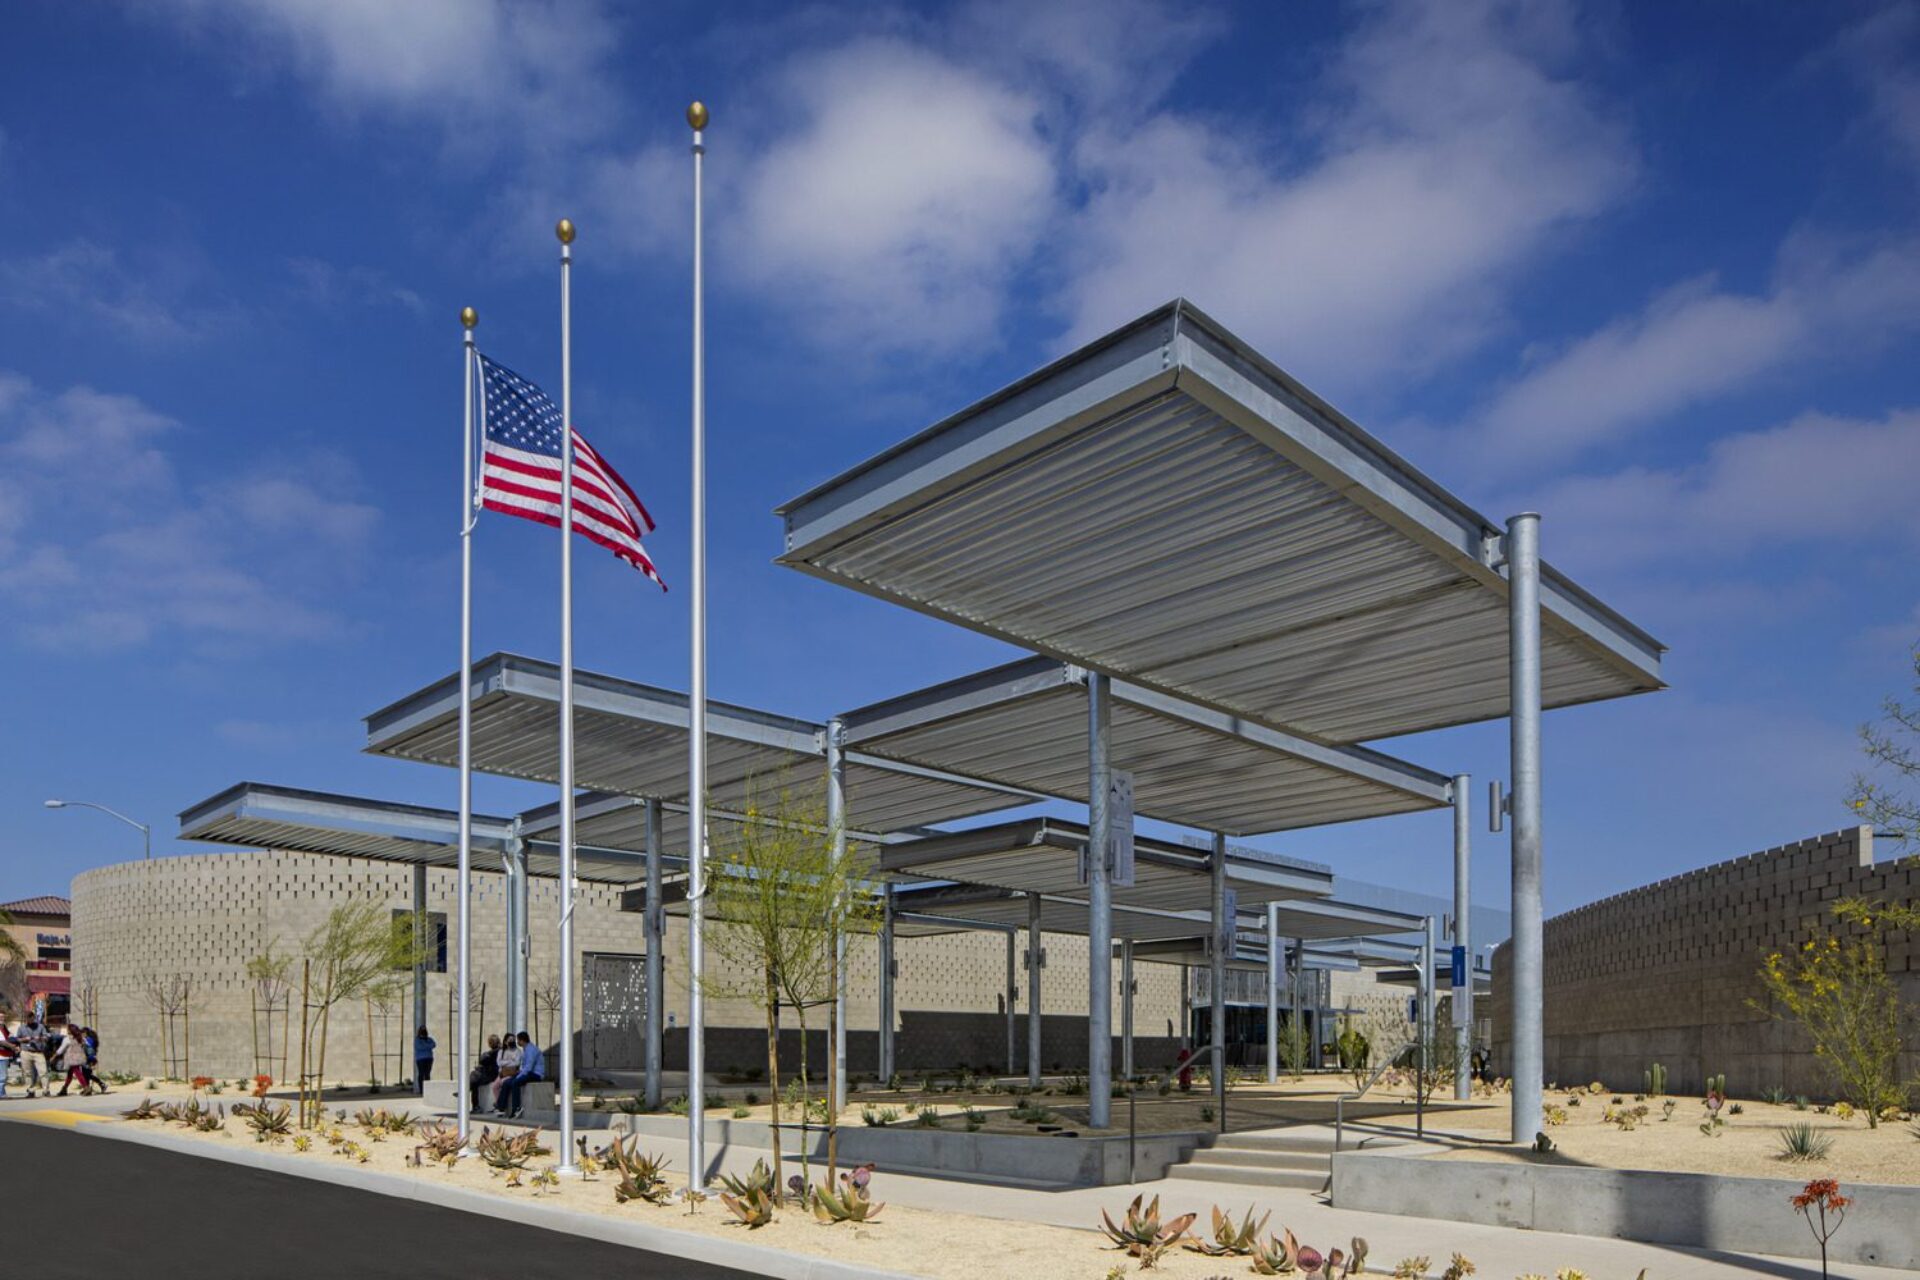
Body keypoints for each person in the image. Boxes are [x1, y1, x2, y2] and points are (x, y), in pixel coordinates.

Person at [496, 1031, 544, 1119]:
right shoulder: (526, 1049)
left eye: (518, 1040)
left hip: (536, 1074)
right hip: (528, 1072)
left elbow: (529, 1067)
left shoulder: (531, 1050)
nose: (517, 1042)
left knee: (515, 1082)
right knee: (506, 1082)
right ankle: (501, 1108)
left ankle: (516, 1108)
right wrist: (519, 1074)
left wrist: (518, 1076)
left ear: (522, 1041)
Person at [14, 1014, 50, 1099]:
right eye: (28, 1018)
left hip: (38, 1052)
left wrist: (40, 1038)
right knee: (27, 1073)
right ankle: (30, 1091)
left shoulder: (40, 1026)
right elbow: (17, 1039)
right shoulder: (21, 1027)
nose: (30, 1020)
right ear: (26, 1019)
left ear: (34, 1018)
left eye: (32, 1018)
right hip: (26, 1051)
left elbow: (47, 1037)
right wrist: (24, 1039)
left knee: (43, 1071)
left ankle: (46, 1090)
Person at [55, 1024, 91, 1096]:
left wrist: (53, 1057)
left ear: (70, 1031)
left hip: (71, 1059)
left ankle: (86, 1087)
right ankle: (64, 1089)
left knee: (77, 1073)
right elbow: (87, 1045)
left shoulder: (67, 1039)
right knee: (70, 1074)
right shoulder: (81, 1038)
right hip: (80, 1058)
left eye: (68, 1029)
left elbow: (61, 1050)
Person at [491, 1029, 521, 1111]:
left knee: (502, 1082)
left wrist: (505, 1063)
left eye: (513, 1040)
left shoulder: (517, 1051)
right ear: (505, 1041)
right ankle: (498, 1103)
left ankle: (500, 1106)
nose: (512, 1041)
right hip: (502, 1073)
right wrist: (510, 1061)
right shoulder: (501, 1051)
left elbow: (517, 1063)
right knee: (494, 1086)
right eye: (510, 1040)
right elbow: (499, 1063)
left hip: (512, 1073)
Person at [470, 1034, 500, 1114]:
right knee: (474, 1078)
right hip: (486, 1073)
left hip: (491, 1075)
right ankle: (475, 1105)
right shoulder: (492, 1052)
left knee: (474, 1080)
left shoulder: (496, 1052)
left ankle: (475, 1105)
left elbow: (483, 1060)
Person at [413, 1026, 436, 1094]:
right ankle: (421, 1090)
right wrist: (428, 1046)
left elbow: (434, 1045)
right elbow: (419, 1047)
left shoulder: (429, 1039)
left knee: (427, 1074)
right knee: (421, 1074)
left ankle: (427, 1090)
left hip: (429, 1058)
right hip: (420, 1059)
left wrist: (425, 1045)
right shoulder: (417, 1040)